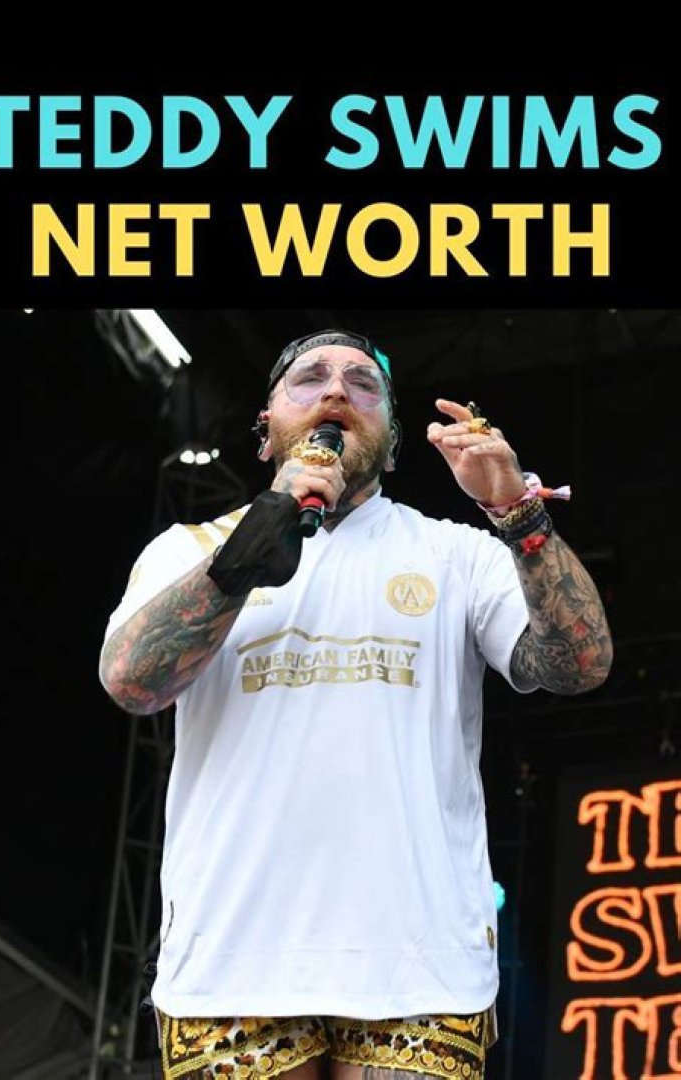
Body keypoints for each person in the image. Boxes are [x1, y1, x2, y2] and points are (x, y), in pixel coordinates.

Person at [99, 328, 612, 1080]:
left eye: (364, 384)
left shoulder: (457, 554)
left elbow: (580, 666)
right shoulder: (190, 548)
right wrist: (262, 532)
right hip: (230, 962)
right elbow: (132, 683)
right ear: (267, 430)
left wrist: (519, 515)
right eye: (310, 378)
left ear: (394, 445)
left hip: (421, 968)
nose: (338, 390)